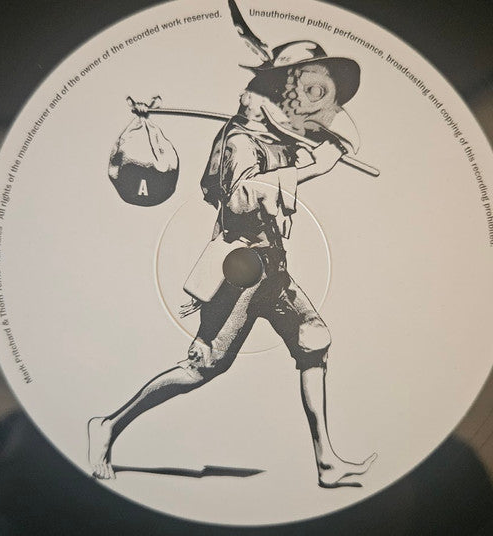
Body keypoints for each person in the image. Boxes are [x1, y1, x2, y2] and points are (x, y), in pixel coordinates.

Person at [88, 40, 376, 488]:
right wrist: (313, 169)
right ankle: (108, 424)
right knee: (202, 367)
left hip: (272, 268)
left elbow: (287, 159)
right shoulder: (239, 140)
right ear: (277, 91)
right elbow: (240, 197)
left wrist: (315, 145)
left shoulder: (275, 138)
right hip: (239, 272)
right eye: (304, 92)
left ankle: (326, 462)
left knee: (313, 339)